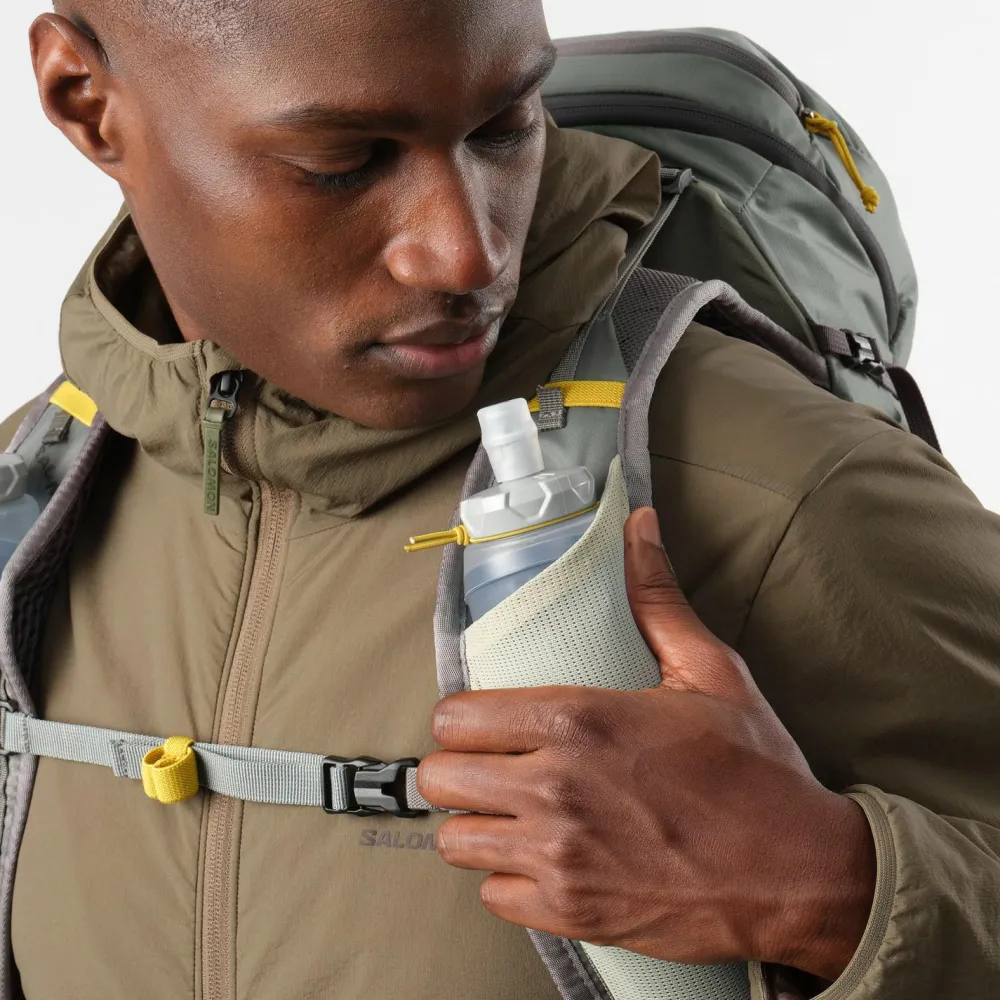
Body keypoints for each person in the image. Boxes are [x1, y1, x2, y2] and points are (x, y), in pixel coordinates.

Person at [6, 1, 1000, 998]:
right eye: (341, 162)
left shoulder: (776, 479)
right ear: (85, 101)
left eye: (504, 127)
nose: (469, 256)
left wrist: (833, 893)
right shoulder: (28, 500)